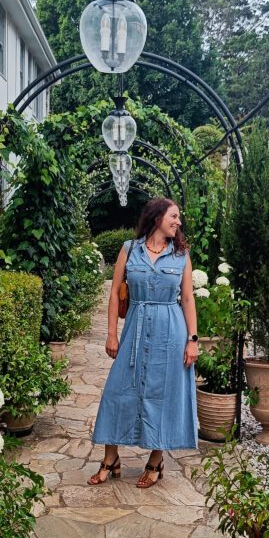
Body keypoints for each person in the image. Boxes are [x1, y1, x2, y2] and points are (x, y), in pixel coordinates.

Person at [90, 198, 199, 488]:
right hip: (135, 330)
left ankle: (155, 460)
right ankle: (110, 457)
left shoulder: (181, 255)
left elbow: (187, 299)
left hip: (170, 333)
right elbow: (114, 293)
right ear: (157, 217)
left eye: (178, 218)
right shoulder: (129, 249)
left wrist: (193, 340)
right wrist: (111, 333)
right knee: (117, 391)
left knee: (162, 395)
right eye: (174, 216)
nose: (178, 222)